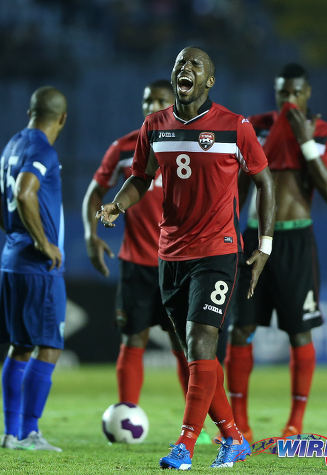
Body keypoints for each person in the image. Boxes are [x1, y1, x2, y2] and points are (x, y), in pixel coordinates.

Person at [97, 46, 276, 469]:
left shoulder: (235, 127)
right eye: (181, 63)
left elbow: (265, 183)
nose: (186, 68)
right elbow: (140, 178)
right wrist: (116, 206)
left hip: (218, 252)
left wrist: (263, 246)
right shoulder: (154, 126)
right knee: (199, 355)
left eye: (196, 65)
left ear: (209, 81)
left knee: (201, 342)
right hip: (170, 255)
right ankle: (233, 437)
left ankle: (185, 445)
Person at [82, 80, 214, 443]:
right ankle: (126, 411)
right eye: (146, 99)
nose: (151, 104)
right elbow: (95, 191)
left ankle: (197, 426)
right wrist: (90, 235)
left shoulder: (185, 144)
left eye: (158, 99)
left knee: (184, 345)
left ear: (172, 100)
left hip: (177, 262)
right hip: (136, 263)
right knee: (133, 339)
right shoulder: (125, 148)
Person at [225, 63, 327, 441]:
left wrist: (306, 142)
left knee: (299, 333)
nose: (289, 100)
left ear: (308, 94)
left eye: (296, 93)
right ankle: (238, 424)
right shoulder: (256, 126)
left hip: (295, 241)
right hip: (252, 238)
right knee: (240, 328)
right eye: (283, 93)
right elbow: (242, 184)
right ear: (276, 94)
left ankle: (295, 424)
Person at [0, 86, 68, 451]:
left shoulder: (13, 145)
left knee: (21, 346)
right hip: (37, 266)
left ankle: (11, 434)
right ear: (62, 119)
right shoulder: (41, 149)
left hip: (13, 260)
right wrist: (42, 242)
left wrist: (16, 234)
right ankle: (29, 432)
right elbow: (25, 191)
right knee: (48, 346)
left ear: (29, 111)